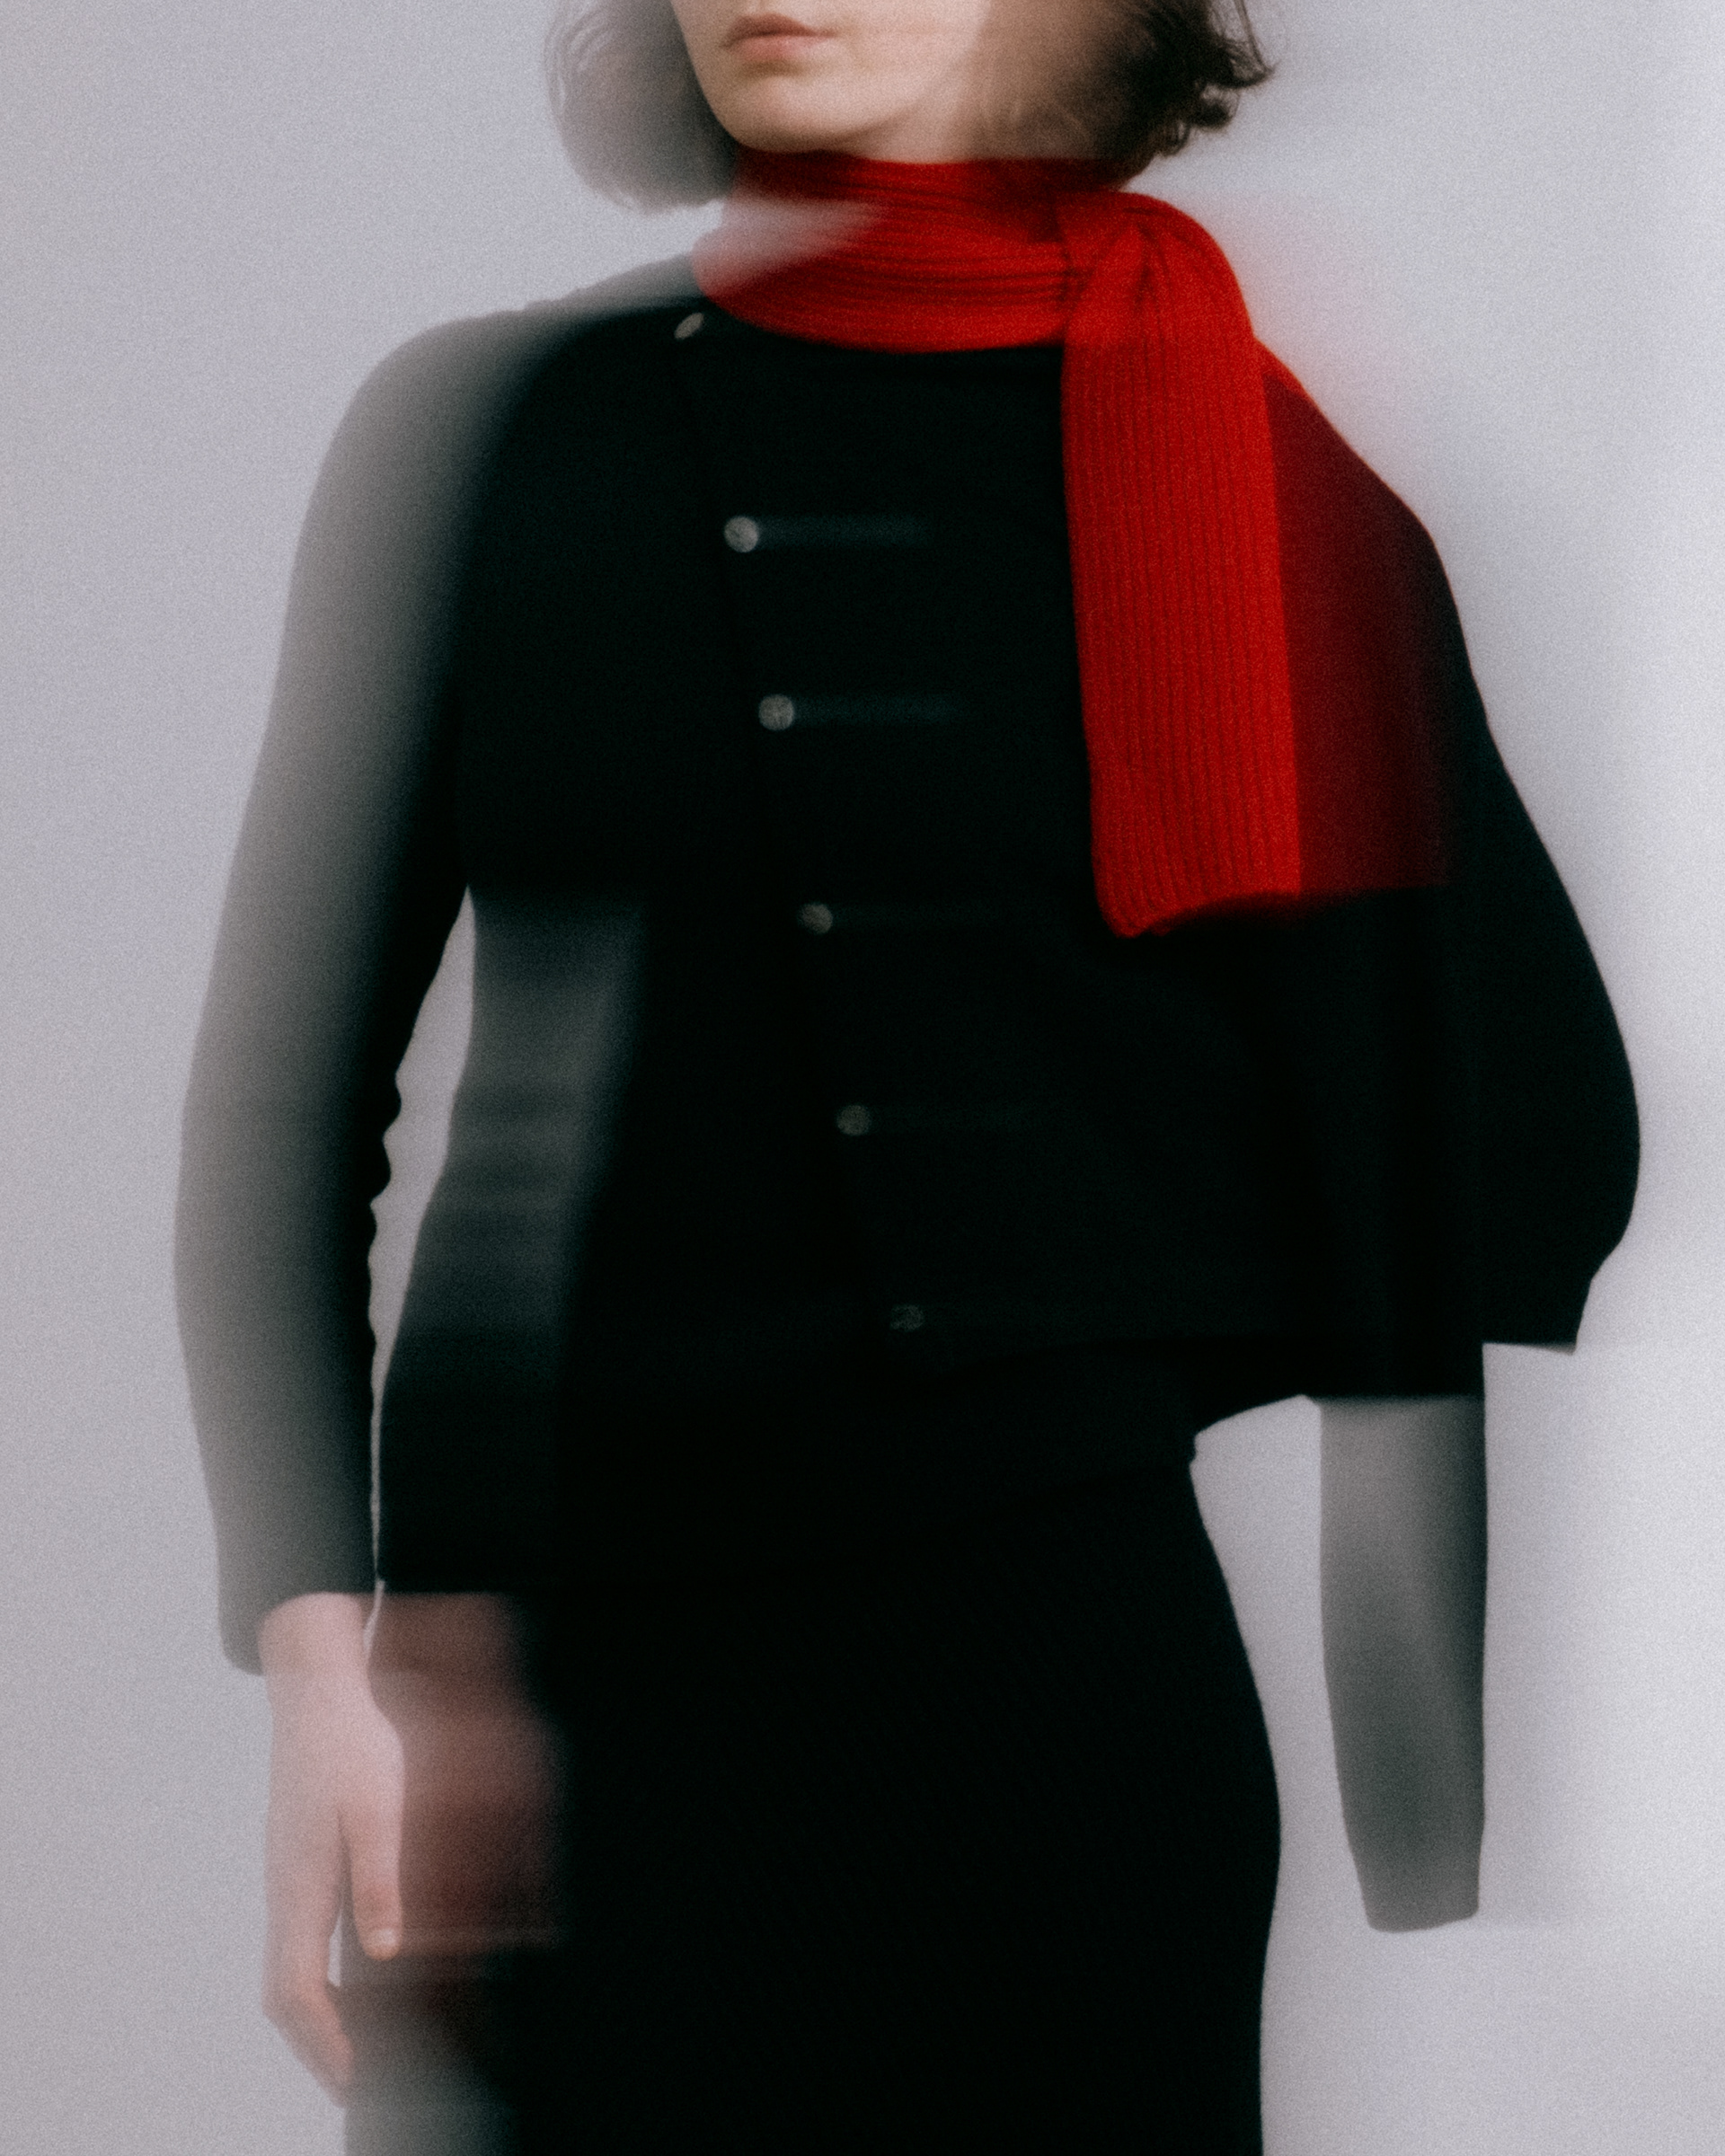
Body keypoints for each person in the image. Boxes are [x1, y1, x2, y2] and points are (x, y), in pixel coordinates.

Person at [174, 2, 1640, 2150]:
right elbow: (287, 1106)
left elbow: (1511, 1113)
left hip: (1059, 1702)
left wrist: (1155, 1314)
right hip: (565, 1725)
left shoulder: (1246, 465)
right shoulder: (520, 432)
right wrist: (327, 1661)